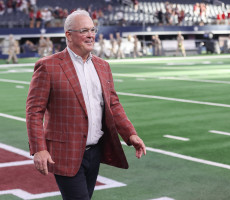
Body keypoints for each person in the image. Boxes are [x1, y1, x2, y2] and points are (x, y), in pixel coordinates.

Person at [26, 10, 146, 200]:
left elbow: (113, 105)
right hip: (65, 152)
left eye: (92, 30)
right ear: (68, 35)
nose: (91, 35)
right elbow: (34, 111)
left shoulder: (103, 66)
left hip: (95, 151)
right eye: (84, 31)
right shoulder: (48, 66)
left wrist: (130, 134)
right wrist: (39, 149)